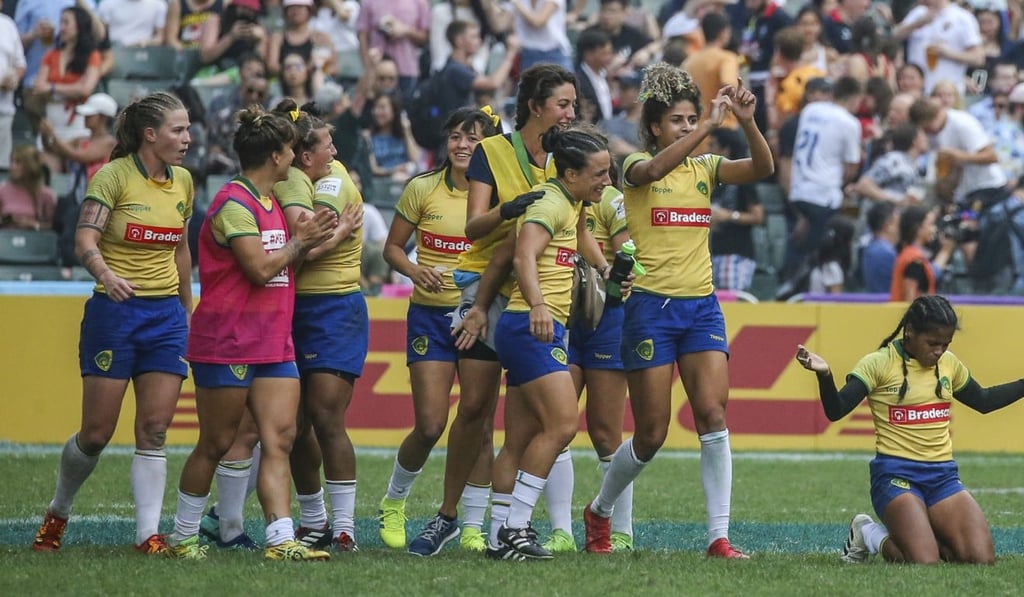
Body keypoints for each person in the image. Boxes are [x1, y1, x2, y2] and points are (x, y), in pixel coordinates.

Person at [582, 63, 774, 557]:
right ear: (653, 127)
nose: (689, 127)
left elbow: (763, 170)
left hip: (701, 309)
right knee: (651, 434)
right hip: (649, 309)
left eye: (692, 119)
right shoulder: (631, 168)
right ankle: (600, 510)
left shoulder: (706, 170)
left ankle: (719, 537)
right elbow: (652, 170)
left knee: (712, 413)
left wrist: (748, 123)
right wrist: (710, 126)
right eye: (678, 121)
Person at [404, 63, 578, 558]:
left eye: (573, 104)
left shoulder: (570, 153)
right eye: (562, 104)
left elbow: (582, 217)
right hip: (487, 289)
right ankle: (448, 517)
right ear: (535, 106)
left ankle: (505, 529)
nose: (570, 113)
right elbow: (475, 228)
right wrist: (511, 207)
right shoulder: (491, 151)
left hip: (542, 292)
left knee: (525, 423)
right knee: (476, 409)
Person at [167, 104, 337, 561]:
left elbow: (286, 265)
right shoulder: (232, 203)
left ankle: (281, 540)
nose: (296, 156)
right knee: (217, 442)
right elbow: (261, 269)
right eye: (290, 149)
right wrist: (302, 242)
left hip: (273, 341)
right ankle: (182, 537)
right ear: (277, 157)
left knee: (278, 438)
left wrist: (316, 239)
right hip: (228, 340)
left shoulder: (269, 203)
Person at [32, 91, 195, 555]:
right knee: (97, 434)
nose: (187, 138)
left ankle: (148, 535)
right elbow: (85, 237)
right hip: (114, 313)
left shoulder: (183, 181)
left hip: (165, 317)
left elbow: (181, 248)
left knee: (155, 429)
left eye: (187, 130)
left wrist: (187, 308)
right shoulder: (113, 176)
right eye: (178, 130)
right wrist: (106, 273)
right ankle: (58, 510)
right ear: (150, 135)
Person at [795, 294, 1024, 564]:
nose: (939, 351)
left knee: (980, 559)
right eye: (932, 343)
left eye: (945, 344)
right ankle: (866, 532)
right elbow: (837, 410)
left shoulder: (948, 363)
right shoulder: (879, 363)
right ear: (910, 332)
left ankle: (924, 534)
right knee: (924, 562)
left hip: (943, 477)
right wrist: (824, 374)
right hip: (895, 476)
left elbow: (983, 401)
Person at [485, 124, 613, 561]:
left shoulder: (570, 200)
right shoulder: (551, 202)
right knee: (562, 425)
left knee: (519, 439)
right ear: (571, 173)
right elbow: (522, 254)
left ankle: (497, 533)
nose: (607, 182)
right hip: (531, 325)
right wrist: (539, 305)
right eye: (599, 174)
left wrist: (606, 269)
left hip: (533, 326)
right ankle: (516, 529)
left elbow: (579, 236)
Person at [376, 107, 501, 552]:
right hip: (430, 315)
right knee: (430, 424)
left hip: (479, 318)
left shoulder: (500, 193)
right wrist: (413, 270)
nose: (462, 145)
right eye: (455, 137)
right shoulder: (422, 188)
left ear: (490, 145)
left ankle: (470, 525)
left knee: (479, 421)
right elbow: (391, 248)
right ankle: (394, 502)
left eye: (472, 138)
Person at [273, 100, 366, 552]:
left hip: (333, 306)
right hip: (296, 308)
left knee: (327, 416)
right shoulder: (300, 178)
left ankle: (345, 525)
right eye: (328, 143)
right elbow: (303, 245)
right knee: (294, 422)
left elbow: (306, 247)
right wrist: (341, 233)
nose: (335, 148)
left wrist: (341, 233)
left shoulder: (330, 180)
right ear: (303, 155)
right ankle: (314, 519)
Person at [889, 205, 954, 302]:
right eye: (931, 224)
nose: (934, 229)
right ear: (918, 228)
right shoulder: (914, 259)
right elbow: (909, 300)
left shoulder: (911, 255)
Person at [0, 145, 56, 230]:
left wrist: (33, 225)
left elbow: (53, 226)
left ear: (30, 166)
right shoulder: (2, 190)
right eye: (11, 162)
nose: (12, 166)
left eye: (18, 162)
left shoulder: (46, 194)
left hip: (35, 240)